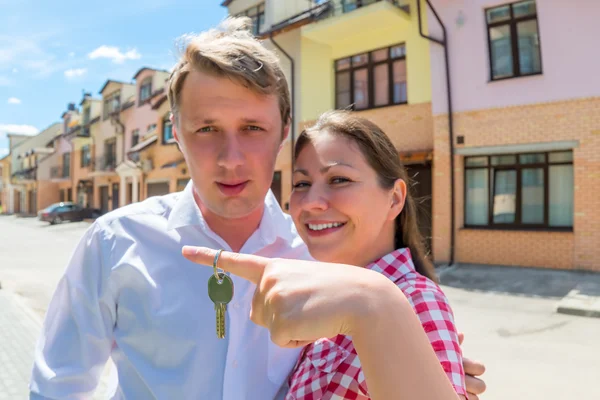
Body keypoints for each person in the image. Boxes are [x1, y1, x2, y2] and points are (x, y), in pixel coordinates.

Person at [29, 17, 486, 400]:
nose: (231, 157)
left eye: (252, 127)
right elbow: (57, 385)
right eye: (206, 129)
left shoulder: (324, 254)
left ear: (284, 128)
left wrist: (420, 362)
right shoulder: (115, 241)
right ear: (175, 131)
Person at [182, 111, 468, 399]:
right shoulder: (322, 291)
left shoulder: (414, 301)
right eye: (301, 184)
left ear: (394, 199)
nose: (311, 203)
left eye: (339, 179)